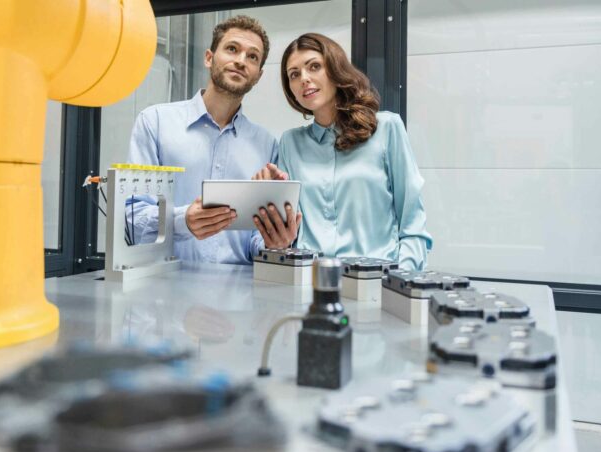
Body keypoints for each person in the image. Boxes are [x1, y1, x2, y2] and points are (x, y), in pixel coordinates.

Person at [126, 15, 300, 264]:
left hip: (241, 286)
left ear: (258, 76)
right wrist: (182, 220)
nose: (241, 61)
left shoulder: (267, 144)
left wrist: (274, 243)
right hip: (164, 282)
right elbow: (132, 219)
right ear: (209, 58)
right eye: (232, 49)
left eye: (252, 57)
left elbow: (254, 243)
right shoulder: (155, 122)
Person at [253, 33, 432, 270]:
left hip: (377, 281)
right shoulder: (290, 143)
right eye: (294, 74)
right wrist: (268, 201)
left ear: (335, 69)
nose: (304, 79)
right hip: (308, 282)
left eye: (314, 66)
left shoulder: (387, 128)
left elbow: (413, 226)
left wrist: (399, 280)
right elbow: (287, 235)